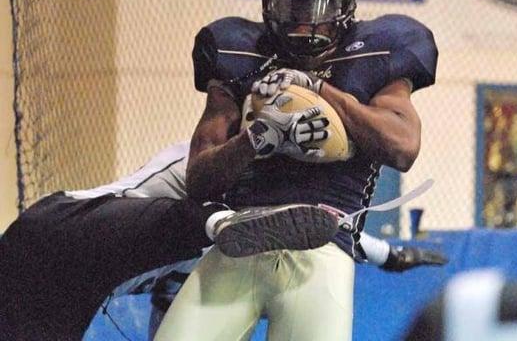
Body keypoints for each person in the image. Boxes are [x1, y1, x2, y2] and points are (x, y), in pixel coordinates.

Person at [153, 0, 442, 340]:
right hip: (239, 236)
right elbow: (200, 180)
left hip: (323, 243)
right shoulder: (240, 52)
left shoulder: (377, 53)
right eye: (288, 7)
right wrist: (257, 137)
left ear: (345, 8)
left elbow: (403, 146)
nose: (300, 24)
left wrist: (321, 90)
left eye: (316, 8)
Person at [0, 142, 338, 341]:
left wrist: (391, 258)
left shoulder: (223, 270)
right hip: (60, 229)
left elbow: (169, 315)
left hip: (73, 289)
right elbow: (132, 204)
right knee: (188, 217)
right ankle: (221, 220)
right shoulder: (195, 165)